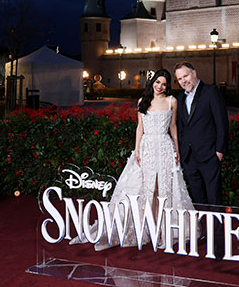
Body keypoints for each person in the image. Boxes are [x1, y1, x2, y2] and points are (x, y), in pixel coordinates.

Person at [71, 69, 195, 250]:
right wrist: (137, 150)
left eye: (163, 84)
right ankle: (146, 227)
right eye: (157, 82)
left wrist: (177, 149)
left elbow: (173, 127)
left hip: (165, 147)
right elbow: (139, 127)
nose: (159, 86)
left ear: (167, 86)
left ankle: (162, 231)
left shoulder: (172, 101)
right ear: (152, 82)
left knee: (164, 190)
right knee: (147, 189)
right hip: (146, 148)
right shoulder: (142, 102)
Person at [174, 61, 228, 256]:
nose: (183, 81)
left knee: (214, 200)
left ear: (194, 73)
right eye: (179, 79)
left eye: (185, 76)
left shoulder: (211, 92)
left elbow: (222, 123)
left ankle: (219, 245)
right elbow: (181, 127)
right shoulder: (180, 98)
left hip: (209, 155)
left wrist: (219, 151)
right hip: (189, 158)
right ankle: (206, 235)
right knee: (199, 200)